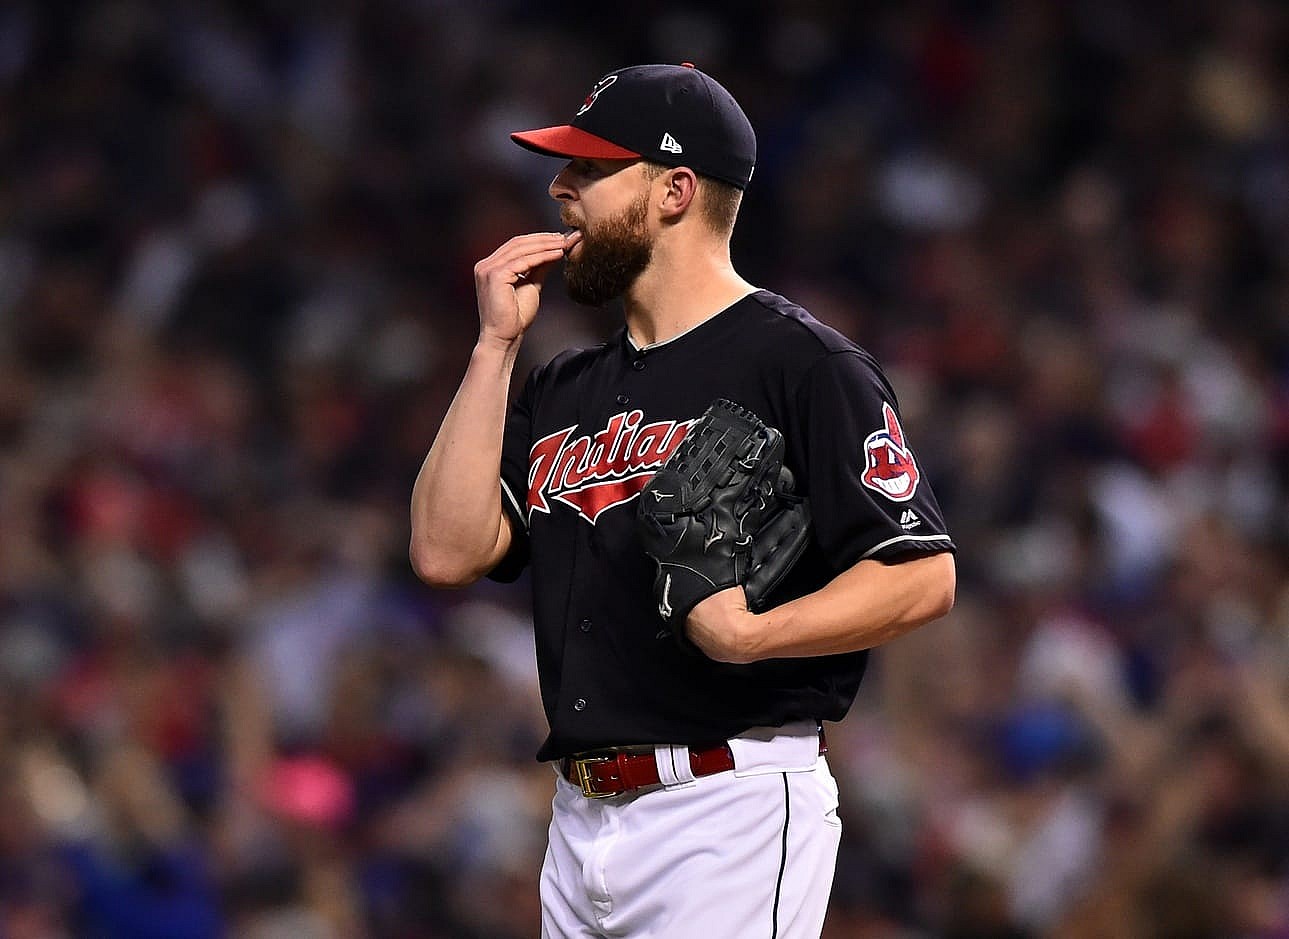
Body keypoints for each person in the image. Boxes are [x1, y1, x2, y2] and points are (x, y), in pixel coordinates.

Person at [410, 63, 956, 939]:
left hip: (726, 807)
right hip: (579, 816)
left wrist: (754, 634)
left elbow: (920, 574)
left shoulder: (802, 365)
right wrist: (491, 350)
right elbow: (444, 550)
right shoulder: (565, 384)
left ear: (673, 190)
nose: (558, 187)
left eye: (588, 169)